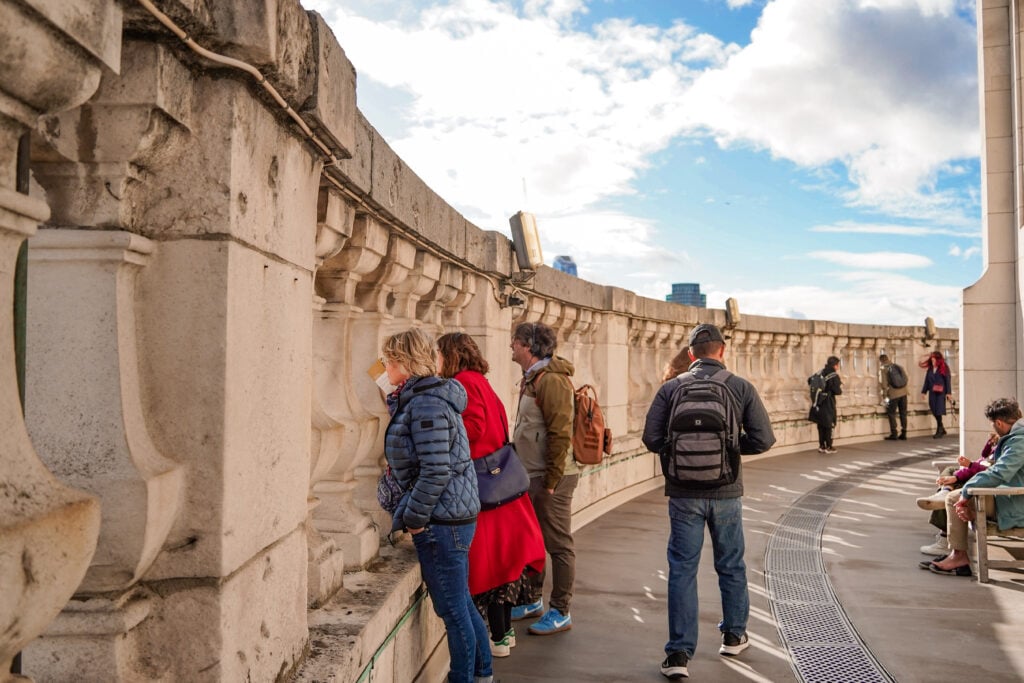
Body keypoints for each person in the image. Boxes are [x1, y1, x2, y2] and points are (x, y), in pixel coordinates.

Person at [642, 323, 776, 680]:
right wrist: (731, 452)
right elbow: (764, 439)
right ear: (722, 351)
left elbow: (651, 438)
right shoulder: (740, 387)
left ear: (690, 355)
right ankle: (734, 634)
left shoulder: (671, 389)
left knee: (682, 568)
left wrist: (679, 457)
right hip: (727, 491)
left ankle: (679, 654)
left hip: (683, 493)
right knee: (731, 564)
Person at [380, 329, 493, 683]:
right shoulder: (423, 397)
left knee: (453, 609)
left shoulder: (427, 404)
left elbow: (436, 469)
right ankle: (483, 672)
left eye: (389, 359)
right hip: (449, 515)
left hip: (442, 520)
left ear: (404, 362)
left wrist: (414, 518)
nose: (384, 366)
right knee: (460, 602)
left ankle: (465, 677)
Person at [436, 332, 546, 658]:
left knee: (491, 567)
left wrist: (443, 435)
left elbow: (474, 429)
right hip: (502, 487)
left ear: (452, 355)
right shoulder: (481, 381)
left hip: (485, 490)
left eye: (440, 354)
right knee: (505, 566)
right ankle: (504, 633)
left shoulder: (465, 383)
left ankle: (497, 638)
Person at [508, 321, 578, 636]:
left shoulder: (552, 381)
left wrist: (551, 481)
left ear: (528, 345)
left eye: (515, 340)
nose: (511, 344)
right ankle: (532, 600)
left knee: (558, 544)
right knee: (533, 540)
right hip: (532, 474)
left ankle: (560, 611)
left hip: (551, 478)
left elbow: (561, 433)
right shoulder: (533, 378)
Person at [922, 397, 1024, 577]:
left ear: (998, 423)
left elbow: (1001, 473)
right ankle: (955, 552)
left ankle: (958, 557)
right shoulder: (1017, 436)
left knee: (954, 497)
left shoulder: (1019, 441)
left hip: (1016, 502)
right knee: (960, 490)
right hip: (1011, 495)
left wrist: (967, 492)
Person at [915, 432, 998, 556]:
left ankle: (945, 540)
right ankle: (944, 491)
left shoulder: (1012, 444)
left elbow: (992, 472)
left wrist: (963, 471)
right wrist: (990, 443)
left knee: (954, 494)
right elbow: (985, 456)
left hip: (986, 483)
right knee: (949, 471)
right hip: (980, 473)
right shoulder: (1004, 443)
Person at [808, 356, 843, 454]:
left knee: (821, 425)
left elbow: (809, 380)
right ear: (835, 365)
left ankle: (821, 446)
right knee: (830, 425)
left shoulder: (820, 372)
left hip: (819, 402)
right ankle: (829, 446)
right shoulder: (833, 375)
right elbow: (837, 391)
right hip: (828, 403)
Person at [920, 351, 951, 438]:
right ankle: (942, 427)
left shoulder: (944, 367)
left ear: (938, 360)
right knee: (933, 409)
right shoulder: (930, 368)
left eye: (934, 359)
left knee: (939, 410)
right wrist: (923, 392)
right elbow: (926, 381)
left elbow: (947, 380)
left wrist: (948, 393)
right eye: (932, 359)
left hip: (941, 392)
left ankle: (939, 430)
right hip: (932, 392)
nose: (933, 361)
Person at [878, 354, 908, 440]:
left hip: (893, 394)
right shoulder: (898, 366)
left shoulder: (883, 369)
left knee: (891, 413)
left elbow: (884, 385)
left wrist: (884, 398)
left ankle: (894, 433)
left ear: (881, 361)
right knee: (903, 413)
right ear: (888, 359)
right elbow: (906, 378)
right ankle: (904, 433)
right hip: (904, 393)